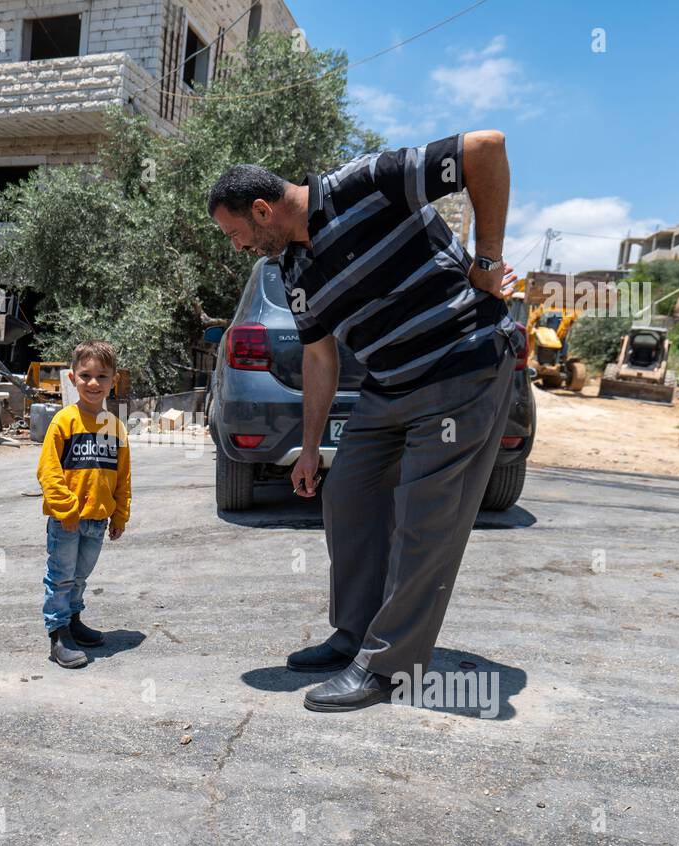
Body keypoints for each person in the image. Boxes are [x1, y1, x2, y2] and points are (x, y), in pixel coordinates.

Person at [208, 131, 522, 713]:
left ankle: (389, 668)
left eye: (236, 234)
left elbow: (485, 148)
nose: (237, 247)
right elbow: (320, 357)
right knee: (347, 493)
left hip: (460, 366)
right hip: (389, 385)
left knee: (424, 521)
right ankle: (355, 633)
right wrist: (307, 449)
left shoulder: (365, 183)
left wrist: (486, 260)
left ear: (262, 210)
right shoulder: (295, 271)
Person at [36, 341, 131, 668]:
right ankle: (58, 633)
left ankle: (73, 619)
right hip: (68, 521)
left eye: (101, 376)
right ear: (72, 378)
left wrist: (120, 514)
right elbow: (48, 470)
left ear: (113, 380)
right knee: (61, 575)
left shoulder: (114, 426)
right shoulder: (64, 421)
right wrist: (66, 511)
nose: (93, 383)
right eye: (85, 375)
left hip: (97, 521)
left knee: (80, 575)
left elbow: (122, 476)